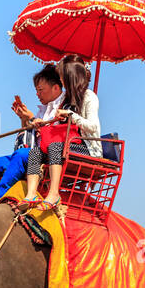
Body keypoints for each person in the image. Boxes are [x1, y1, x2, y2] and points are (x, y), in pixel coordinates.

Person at [0, 65, 64, 203]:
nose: (37, 94)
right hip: (32, 150)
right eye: (36, 91)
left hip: (48, 153)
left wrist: (32, 118)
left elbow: (54, 135)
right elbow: (29, 135)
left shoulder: (64, 106)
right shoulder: (44, 109)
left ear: (56, 88)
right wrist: (24, 119)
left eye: (41, 90)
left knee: (21, 155)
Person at [22, 57, 101, 207]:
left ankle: (54, 194)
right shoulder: (69, 99)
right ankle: (31, 194)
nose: (60, 80)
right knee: (35, 153)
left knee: (56, 147)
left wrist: (71, 116)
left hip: (88, 149)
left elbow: (93, 127)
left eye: (62, 76)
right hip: (70, 145)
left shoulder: (89, 96)